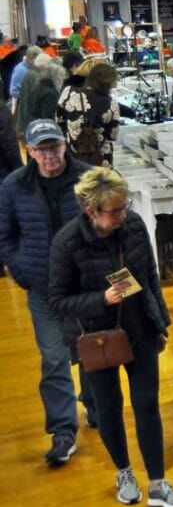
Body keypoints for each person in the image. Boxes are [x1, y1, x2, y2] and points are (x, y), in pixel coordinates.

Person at [48, 167, 173, 507]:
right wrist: (101, 299)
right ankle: (124, 471)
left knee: (147, 405)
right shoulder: (67, 242)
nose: (123, 214)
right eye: (115, 210)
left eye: (124, 206)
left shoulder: (134, 225)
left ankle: (158, 481)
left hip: (139, 328)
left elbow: (150, 277)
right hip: (97, 338)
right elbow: (57, 300)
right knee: (109, 408)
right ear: (91, 210)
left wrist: (160, 323)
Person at [0, 119, 92, 466]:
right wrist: (21, 270)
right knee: (53, 358)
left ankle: (95, 406)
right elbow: (4, 235)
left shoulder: (87, 179)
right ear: (30, 151)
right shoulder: (13, 187)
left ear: (64, 146)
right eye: (41, 149)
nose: (48, 155)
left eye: (53, 147)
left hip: (84, 286)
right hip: (42, 289)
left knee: (90, 350)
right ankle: (63, 431)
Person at [54, 63, 120, 166]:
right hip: (100, 157)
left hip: (72, 153)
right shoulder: (112, 104)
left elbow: (58, 119)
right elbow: (113, 136)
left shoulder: (69, 92)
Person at [17, 63, 63, 135]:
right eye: (60, 75)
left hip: (32, 126)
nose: (62, 78)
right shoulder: (50, 93)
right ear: (54, 76)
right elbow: (48, 118)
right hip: (43, 130)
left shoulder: (38, 86)